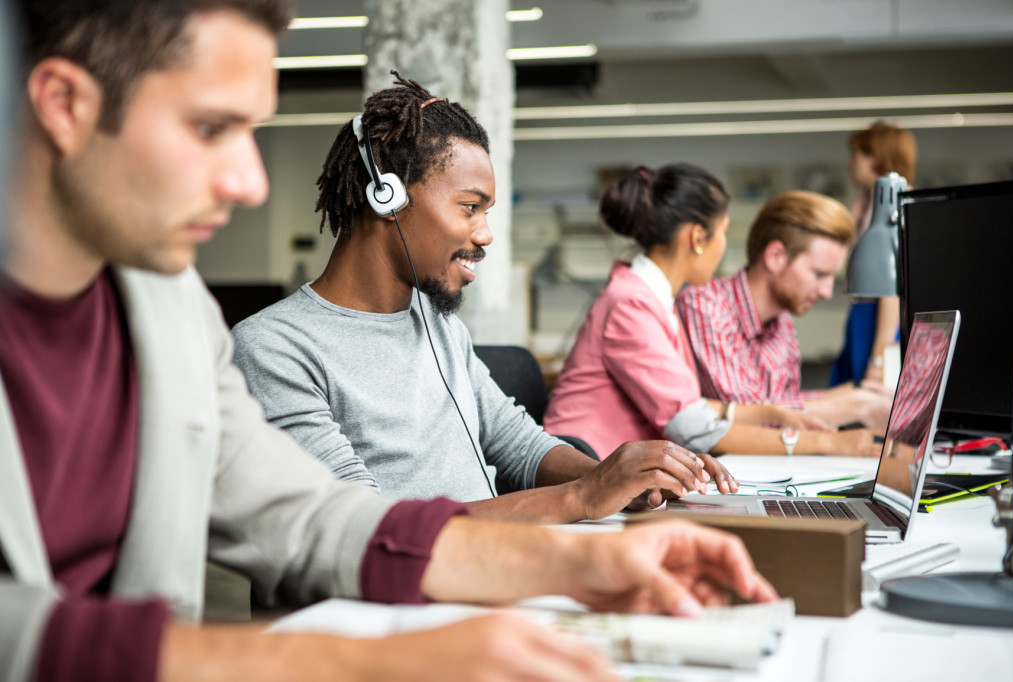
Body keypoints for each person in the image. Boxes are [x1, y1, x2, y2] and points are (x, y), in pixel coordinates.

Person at [0, 3, 778, 682]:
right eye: (210, 127)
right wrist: (367, 662)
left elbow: (313, 519)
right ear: (64, 104)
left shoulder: (168, 312)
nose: (251, 182)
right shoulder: (267, 343)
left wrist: (592, 557)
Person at [232, 76, 739, 523]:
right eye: (470, 208)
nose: (486, 234)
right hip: (392, 611)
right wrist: (581, 496)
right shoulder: (274, 347)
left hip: (489, 573)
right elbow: (367, 529)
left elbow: (516, 443)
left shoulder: (438, 324)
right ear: (388, 197)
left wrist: (619, 479)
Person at [544, 165, 878, 458]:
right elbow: (694, 429)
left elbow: (690, 406)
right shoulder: (631, 304)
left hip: (620, 477)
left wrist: (768, 412)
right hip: (587, 477)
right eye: (724, 232)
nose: (724, 245)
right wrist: (828, 443)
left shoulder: (653, 300)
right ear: (698, 238)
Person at [678, 190, 894, 434]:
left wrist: (853, 393)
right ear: (776, 257)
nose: (825, 292)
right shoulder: (705, 306)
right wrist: (854, 406)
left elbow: (781, 404)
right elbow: (747, 416)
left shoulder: (782, 321)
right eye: (820, 274)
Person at [831, 120, 918, 386]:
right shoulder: (867, 204)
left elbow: (889, 289)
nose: (850, 163)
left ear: (875, 158)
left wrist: (879, 356)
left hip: (879, 318)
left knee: (872, 400)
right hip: (863, 313)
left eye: (856, 155)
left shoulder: (895, 209)